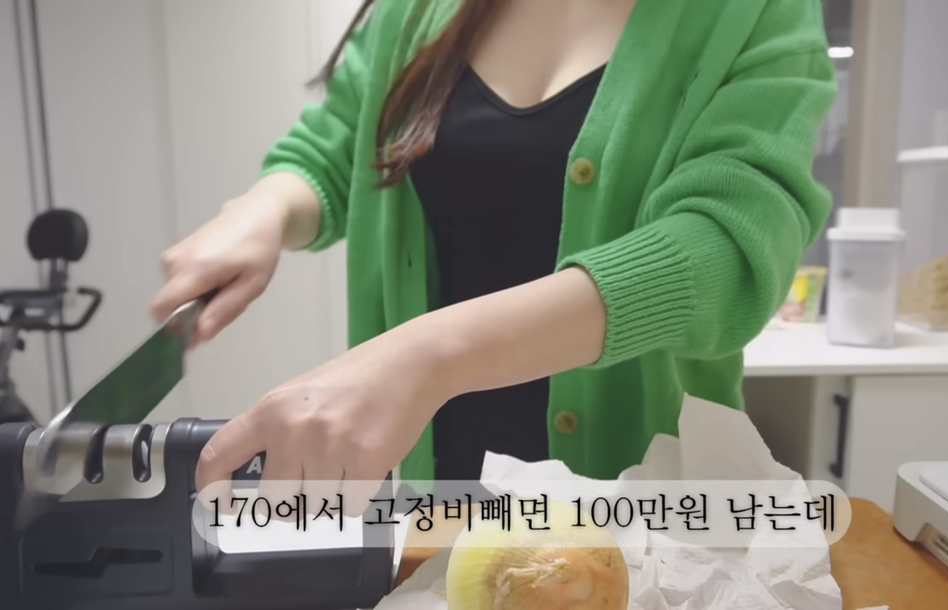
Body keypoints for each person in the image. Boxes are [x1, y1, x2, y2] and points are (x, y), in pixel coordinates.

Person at [152, 0, 837, 510]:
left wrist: (428, 357)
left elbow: (727, 247)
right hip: (441, 506)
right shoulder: (415, 11)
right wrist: (263, 211)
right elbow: (337, 147)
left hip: (644, 518)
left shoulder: (750, 10)